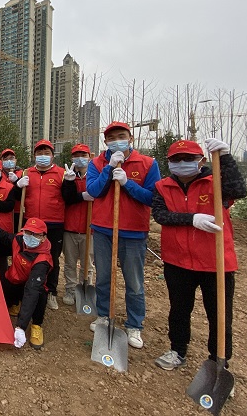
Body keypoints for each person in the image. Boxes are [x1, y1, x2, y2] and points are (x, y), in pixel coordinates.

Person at [152, 139, 246, 370]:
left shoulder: (216, 183)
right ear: (169, 162)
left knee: (219, 315)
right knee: (179, 310)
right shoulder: (163, 186)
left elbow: (239, 190)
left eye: (188, 158)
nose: (182, 163)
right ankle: (177, 350)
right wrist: (192, 219)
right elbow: (160, 215)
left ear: (202, 161)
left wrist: (225, 157)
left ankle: (219, 361)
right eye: (176, 159)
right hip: (177, 260)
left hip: (215, 262)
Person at [86, 121, 161, 349]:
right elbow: (93, 191)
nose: (116, 141)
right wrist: (108, 170)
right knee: (103, 277)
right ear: (106, 142)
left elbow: (152, 198)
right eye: (111, 138)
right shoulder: (96, 163)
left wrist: (128, 183)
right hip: (102, 229)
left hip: (133, 232)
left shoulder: (148, 164)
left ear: (130, 139)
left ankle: (134, 325)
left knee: (134, 282)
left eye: (121, 136)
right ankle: (103, 315)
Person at [0, 216, 53, 349]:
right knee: (4, 287)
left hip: (33, 287)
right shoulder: (19, 239)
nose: (30, 237)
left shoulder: (43, 260)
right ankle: (15, 304)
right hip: (15, 280)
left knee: (39, 294)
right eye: (28, 232)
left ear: (43, 238)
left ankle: (36, 325)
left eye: (35, 234)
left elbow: (31, 291)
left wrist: (20, 326)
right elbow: (4, 236)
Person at [14, 139, 66, 310]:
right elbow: (16, 196)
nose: (43, 156)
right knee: (28, 257)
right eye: (39, 153)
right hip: (31, 223)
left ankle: (51, 291)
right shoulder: (26, 173)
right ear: (34, 155)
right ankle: (28, 287)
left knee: (52, 258)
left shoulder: (62, 173)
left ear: (52, 155)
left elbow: (69, 196)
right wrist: (17, 185)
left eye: (46, 153)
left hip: (54, 223)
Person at [61, 143, 96, 305]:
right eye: (76, 155)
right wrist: (80, 194)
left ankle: (85, 288)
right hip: (70, 227)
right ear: (72, 158)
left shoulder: (95, 176)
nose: (80, 158)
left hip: (90, 228)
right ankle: (70, 289)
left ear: (89, 157)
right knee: (69, 263)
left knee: (87, 263)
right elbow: (66, 198)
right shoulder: (68, 176)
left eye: (83, 155)